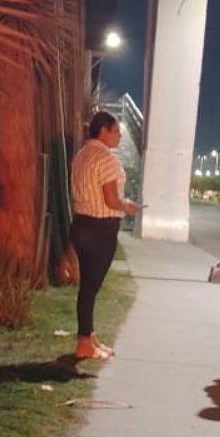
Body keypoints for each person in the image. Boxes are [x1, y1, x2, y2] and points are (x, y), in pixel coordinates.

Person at [70, 111, 140, 360]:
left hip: (81, 224)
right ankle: (83, 343)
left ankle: (89, 337)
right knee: (90, 288)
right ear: (103, 131)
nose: (120, 136)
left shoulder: (81, 155)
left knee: (88, 287)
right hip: (100, 228)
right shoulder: (107, 159)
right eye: (116, 131)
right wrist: (127, 205)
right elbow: (111, 199)